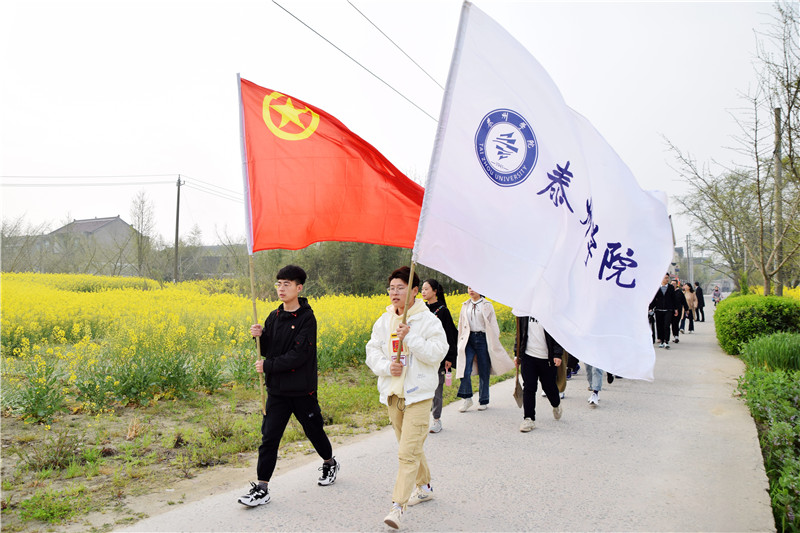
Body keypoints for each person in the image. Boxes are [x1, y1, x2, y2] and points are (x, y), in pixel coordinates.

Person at [238, 265, 339, 508]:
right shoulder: (273, 316)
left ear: (299, 288)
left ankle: (329, 463)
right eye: (279, 284)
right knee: (269, 438)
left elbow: (299, 355)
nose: (281, 289)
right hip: (277, 391)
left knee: (314, 431)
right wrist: (259, 336)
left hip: (302, 390)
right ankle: (262, 488)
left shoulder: (307, 318)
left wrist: (269, 366)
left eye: (287, 284)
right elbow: (268, 349)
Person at [365, 266, 448, 530]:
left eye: (400, 288)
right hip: (393, 394)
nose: (394, 293)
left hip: (419, 396)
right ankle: (425, 487)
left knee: (406, 453)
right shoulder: (384, 321)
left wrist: (410, 337)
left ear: (414, 291)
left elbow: (437, 353)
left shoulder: (428, 321)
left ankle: (397, 506)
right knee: (410, 446)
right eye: (391, 288)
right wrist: (386, 367)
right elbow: (372, 351)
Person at [455, 287, 515, 412]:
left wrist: (493, 341)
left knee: (484, 370)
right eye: (469, 288)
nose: (471, 290)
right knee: (464, 369)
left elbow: (493, 325)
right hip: (468, 339)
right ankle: (467, 398)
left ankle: (483, 400)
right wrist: (460, 341)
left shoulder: (487, 305)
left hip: (483, 338)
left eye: (474, 288)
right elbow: (461, 324)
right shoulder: (465, 305)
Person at [513, 314, 564, 432]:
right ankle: (528, 418)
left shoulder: (550, 312)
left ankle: (556, 404)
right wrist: (517, 353)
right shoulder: (524, 312)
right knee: (529, 387)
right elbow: (519, 333)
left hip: (547, 358)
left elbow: (558, 334)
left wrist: (557, 354)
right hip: (528, 356)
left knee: (549, 386)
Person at [420, 279, 458, 434]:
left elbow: (450, 336)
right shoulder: (421, 310)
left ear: (435, 291)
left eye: (426, 289)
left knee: (437, 389)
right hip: (422, 354)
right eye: (422, 289)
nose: (423, 292)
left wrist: (449, 357)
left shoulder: (443, 311)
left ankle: (436, 420)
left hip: (438, 356)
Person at [649, 274, 679, 349]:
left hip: (668, 310)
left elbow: (674, 299)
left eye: (667, 278)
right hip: (658, 310)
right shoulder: (657, 287)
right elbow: (654, 299)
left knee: (666, 325)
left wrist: (675, 309)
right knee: (660, 326)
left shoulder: (671, 287)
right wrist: (650, 308)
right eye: (665, 278)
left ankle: (666, 341)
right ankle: (661, 341)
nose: (667, 279)